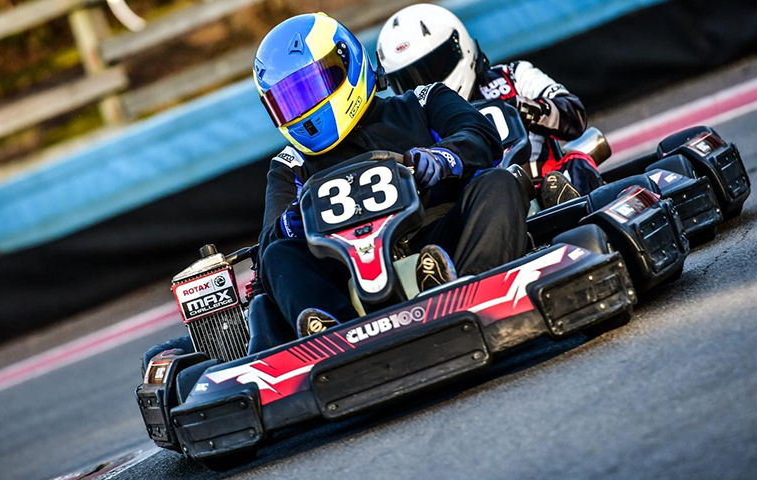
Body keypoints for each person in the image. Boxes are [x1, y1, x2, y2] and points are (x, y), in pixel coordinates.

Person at [253, 12, 528, 337]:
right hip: (347, 271)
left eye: (311, 88)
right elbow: (268, 244)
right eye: (289, 100)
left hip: (440, 239)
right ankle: (333, 334)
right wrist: (291, 222)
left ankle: (470, 288)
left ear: (348, 61)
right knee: (278, 253)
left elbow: (480, 135)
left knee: (498, 182)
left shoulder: (423, 101)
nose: (304, 106)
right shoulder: (290, 163)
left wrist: (442, 158)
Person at [376, 3, 604, 209]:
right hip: (482, 206)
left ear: (459, 47)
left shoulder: (514, 76)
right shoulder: (413, 122)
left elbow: (574, 116)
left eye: (432, 67)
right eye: (409, 79)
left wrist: (529, 110)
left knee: (576, 163)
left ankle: (578, 212)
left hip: (547, 183)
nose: (428, 82)